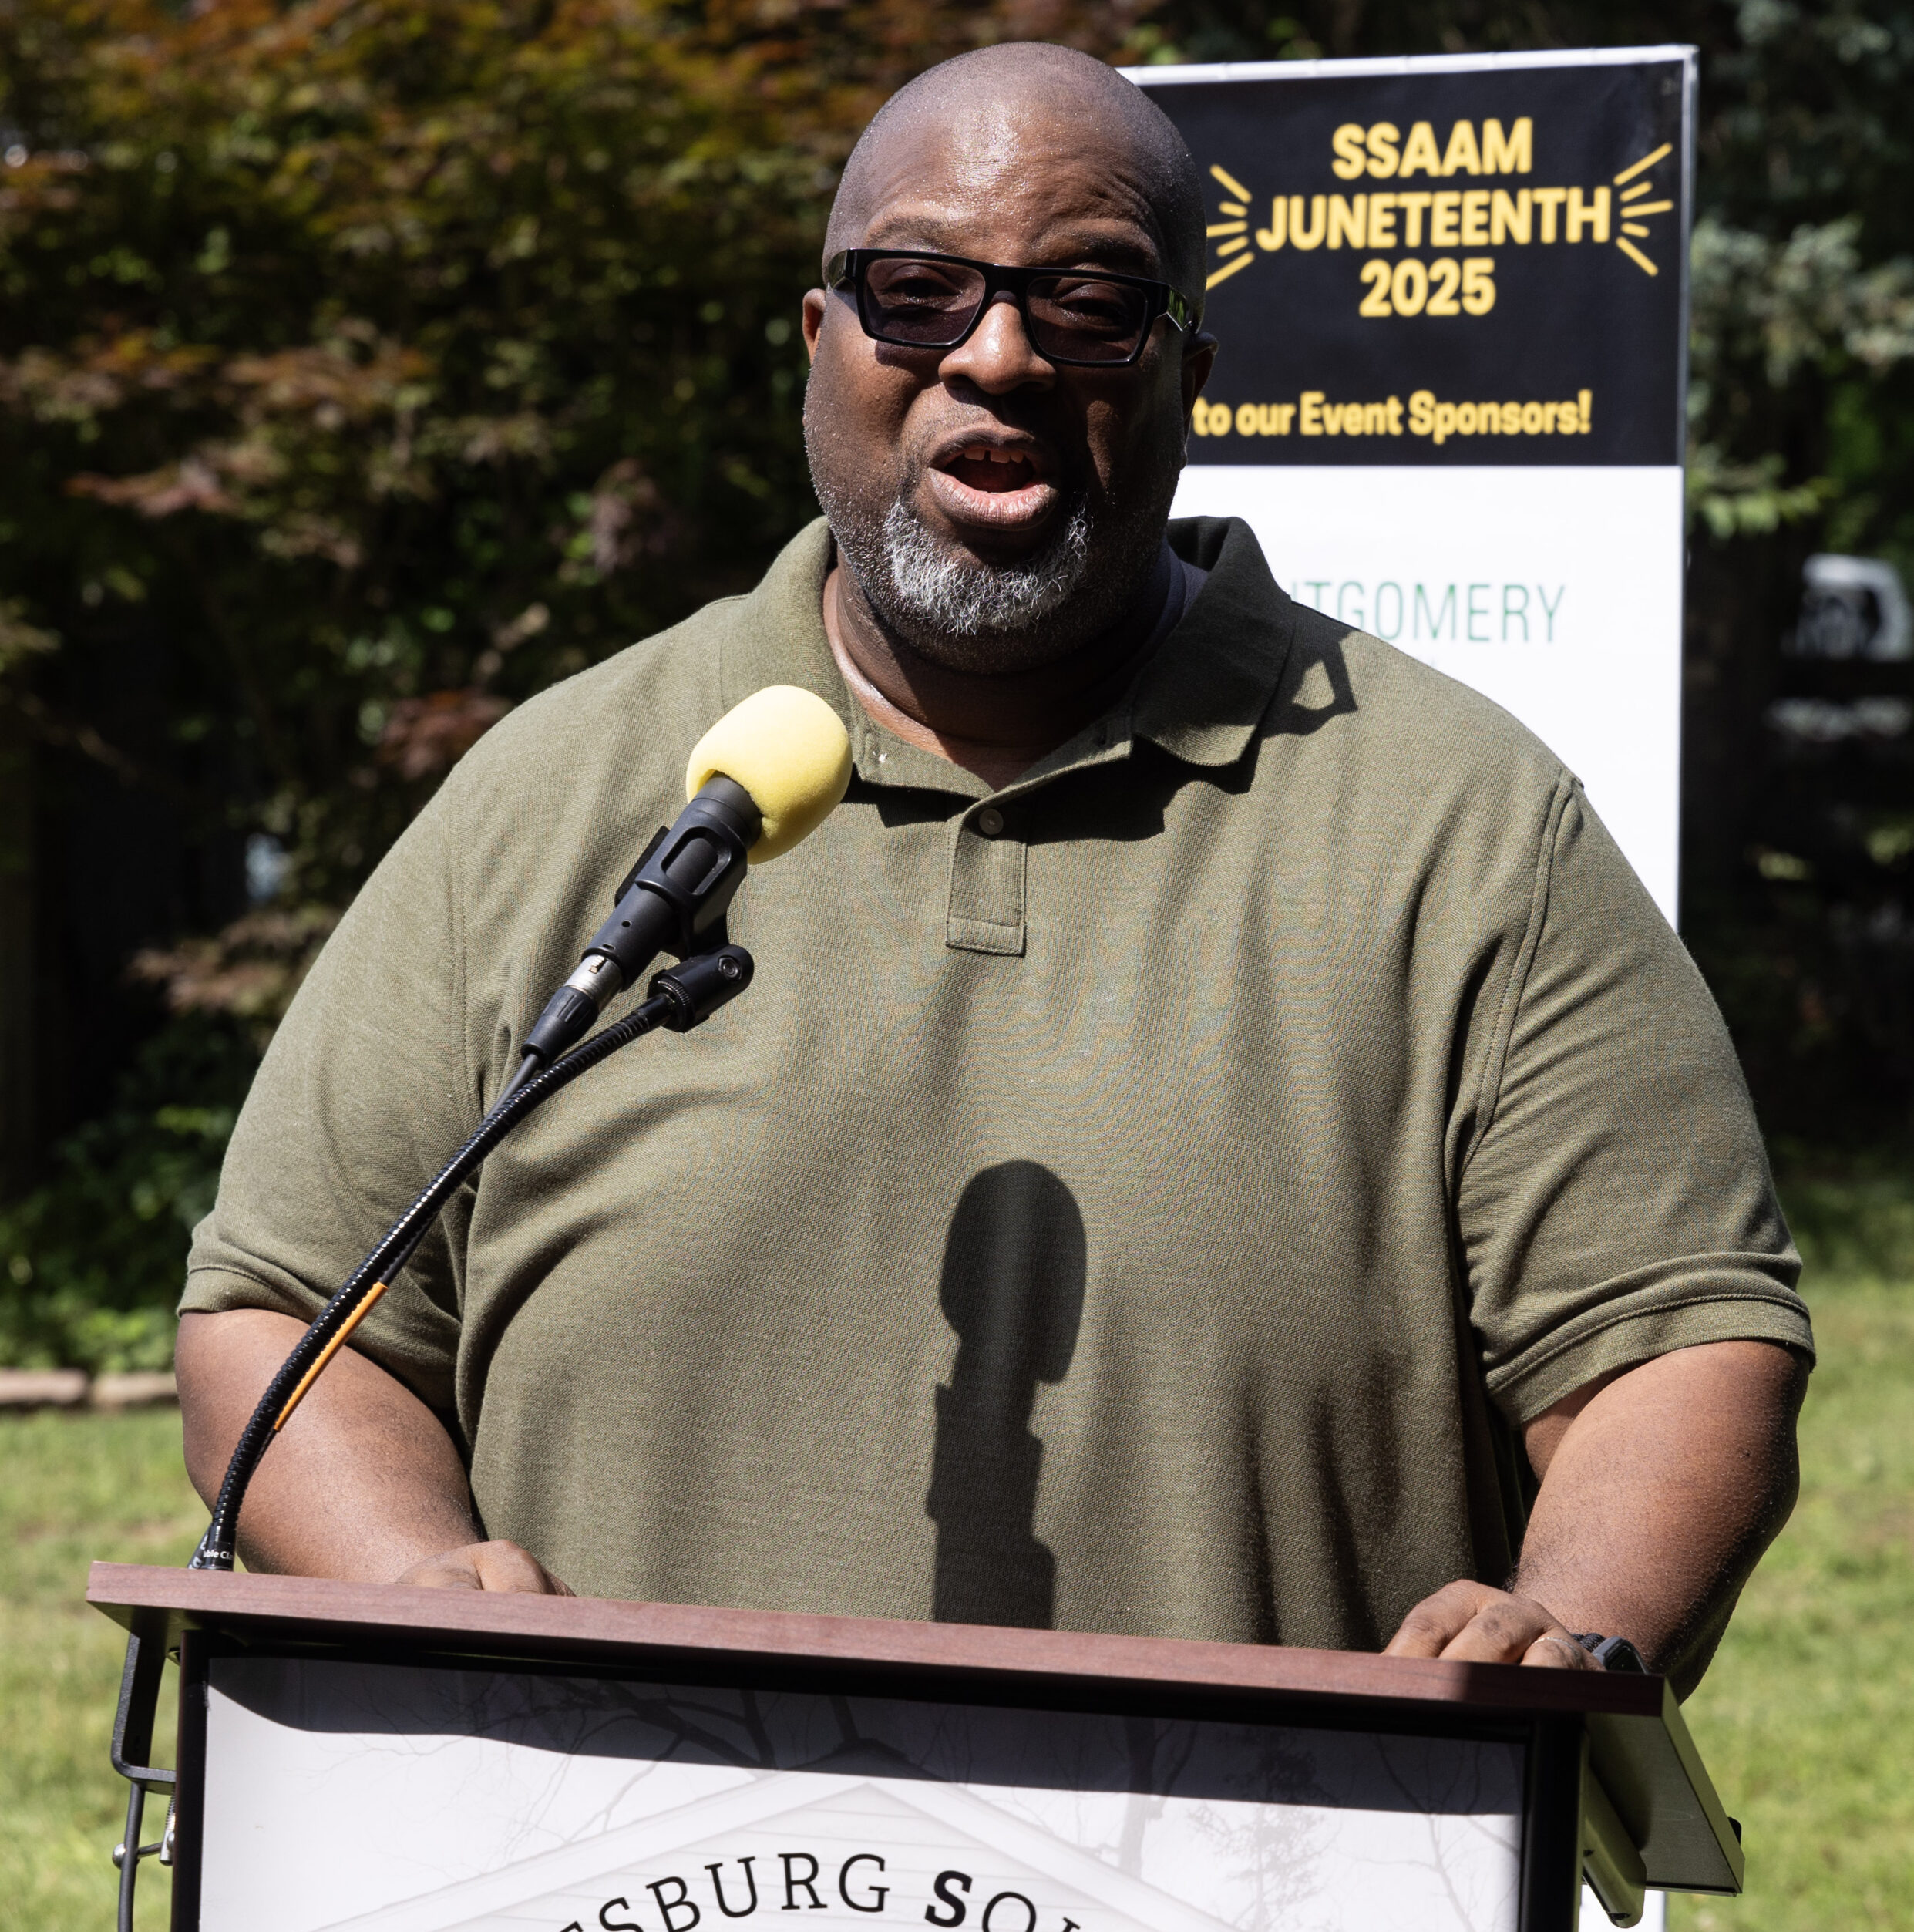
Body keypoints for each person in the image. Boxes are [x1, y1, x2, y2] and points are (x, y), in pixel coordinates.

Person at [177, 43, 1810, 1695]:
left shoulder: (1464, 827)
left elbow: (1676, 1346)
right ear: (820, 340)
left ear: (1190, 373)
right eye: (917, 292)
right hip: (597, 1847)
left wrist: (1558, 1628)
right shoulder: (551, 795)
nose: (998, 355)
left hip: (1267, 1848)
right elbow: (288, 1314)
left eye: (1090, 302)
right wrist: (414, 1582)